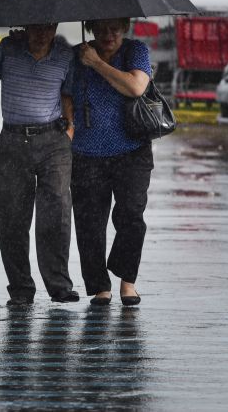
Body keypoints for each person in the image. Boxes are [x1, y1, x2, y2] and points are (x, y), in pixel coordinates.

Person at [0, 24, 79, 306]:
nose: (42, 32)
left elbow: (67, 96)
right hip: (13, 141)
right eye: (36, 27)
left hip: (53, 141)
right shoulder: (8, 48)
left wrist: (70, 130)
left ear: (55, 27)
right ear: (26, 26)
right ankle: (21, 289)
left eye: (48, 26)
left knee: (57, 214)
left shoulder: (65, 54)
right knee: (12, 219)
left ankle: (59, 286)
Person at [70, 18, 153, 306]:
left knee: (131, 215)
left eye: (116, 28)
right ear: (91, 28)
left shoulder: (136, 51)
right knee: (89, 223)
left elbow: (135, 87)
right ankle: (99, 286)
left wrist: (97, 64)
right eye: (102, 28)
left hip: (132, 149)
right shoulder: (76, 55)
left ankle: (127, 282)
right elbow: (64, 92)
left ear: (126, 27)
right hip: (86, 152)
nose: (109, 35)